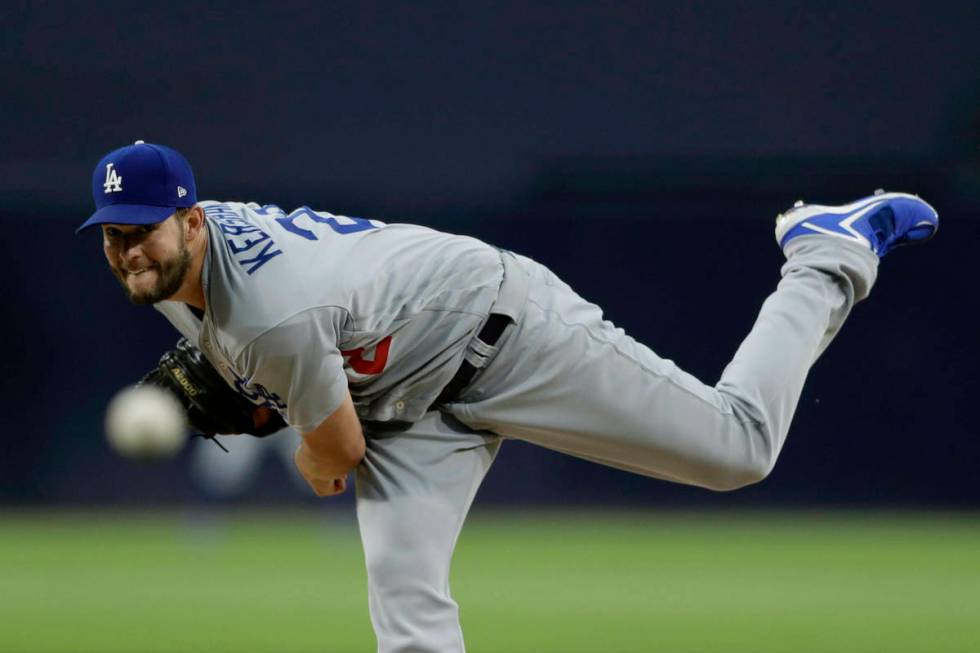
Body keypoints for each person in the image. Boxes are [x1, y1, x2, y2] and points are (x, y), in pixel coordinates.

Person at [79, 140, 938, 653]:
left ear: (193, 219)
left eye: (144, 230)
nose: (127, 252)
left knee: (738, 447)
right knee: (407, 608)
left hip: (504, 332)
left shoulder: (268, 307)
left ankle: (826, 254)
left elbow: (334, 454)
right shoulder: (185, 266)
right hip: (404, 398)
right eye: (114, 236)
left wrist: (303, 441)